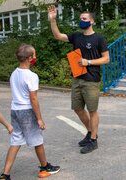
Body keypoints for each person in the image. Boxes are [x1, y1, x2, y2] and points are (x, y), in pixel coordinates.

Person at [48, 5, 109, 154]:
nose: (82, 20)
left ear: (92, 21)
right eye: (80, 18)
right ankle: (90, 132)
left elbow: (106, 59)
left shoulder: (99, 38)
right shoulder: (76, 36)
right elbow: (58, 36)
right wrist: (52, 20)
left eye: (85, 18)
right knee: (77, 108)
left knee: (92, 110)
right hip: (77, 78)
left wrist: (88, 62)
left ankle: (93, 140)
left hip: (92, 80)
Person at [0, 44, 60, 180]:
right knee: (37, 140)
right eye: (34, 55)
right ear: (28, 58)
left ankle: (6, 174)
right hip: (27, 111)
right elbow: (33, 98)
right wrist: (39, 118)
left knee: (15, 141)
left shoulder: (14, 73)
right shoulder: (31, 76)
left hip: (15, 110)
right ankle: (45, 167)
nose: (35, 58)